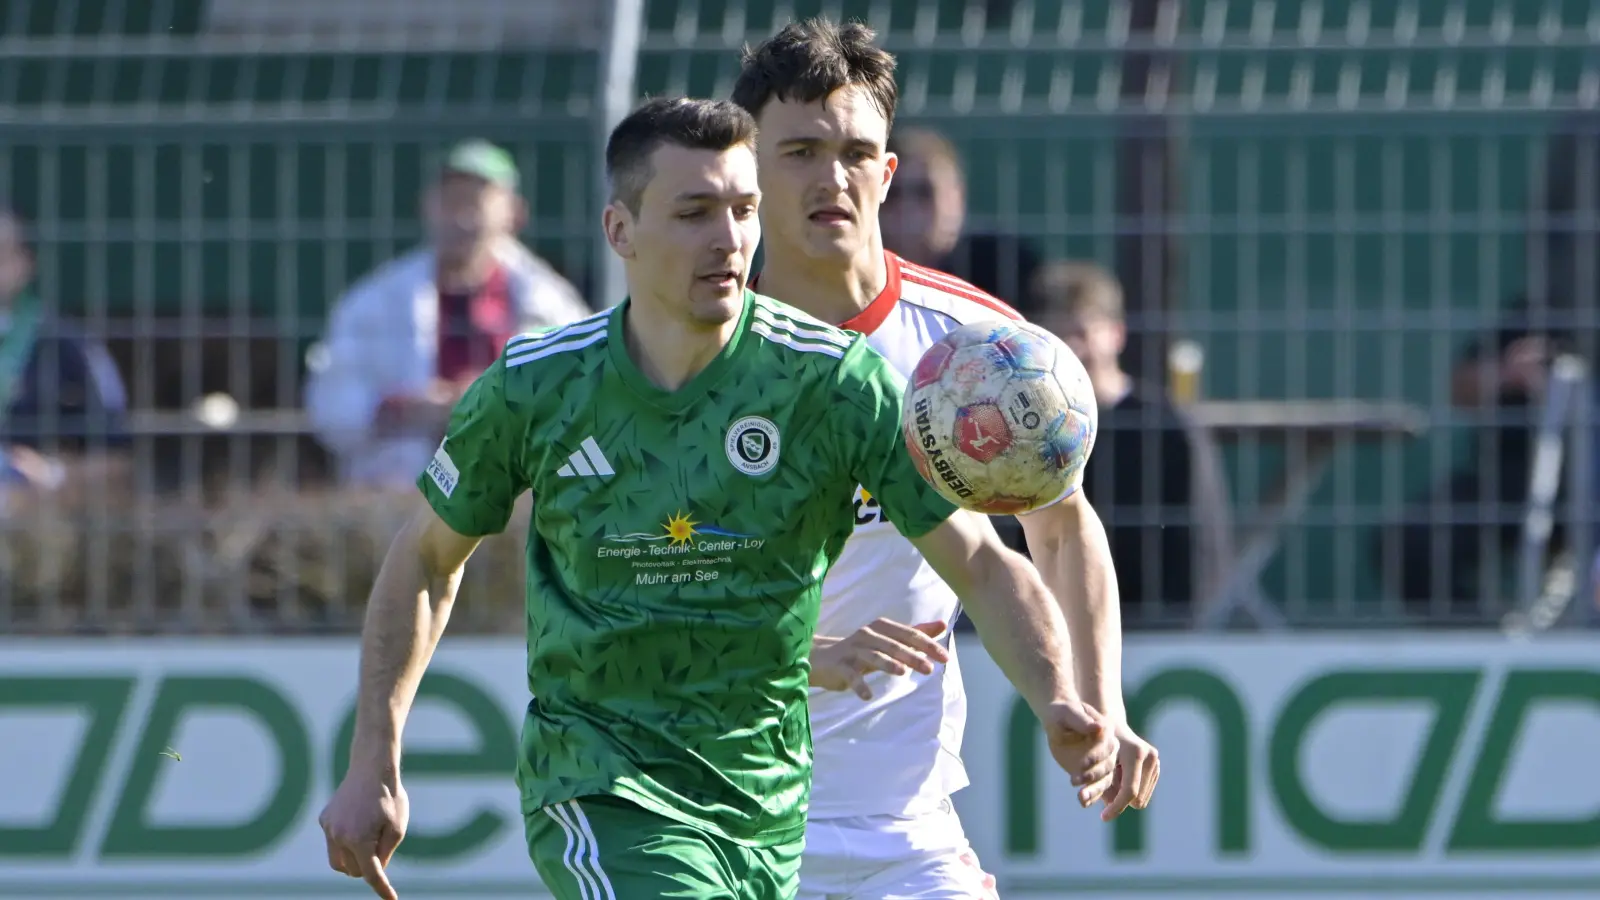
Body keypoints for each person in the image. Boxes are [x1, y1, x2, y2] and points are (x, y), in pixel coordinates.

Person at [318, 97, 1118, 900]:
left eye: (742, 210)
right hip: (610, 792)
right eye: (694, 212)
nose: (728, 238)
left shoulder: (835, 382)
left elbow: (981, 560)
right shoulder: (537, 386)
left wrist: (1059, 697)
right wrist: (373, 760)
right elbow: (426, 558)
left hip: (773, 810)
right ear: (620, 232)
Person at [730, 19, 1161, 899]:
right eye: (801, 151)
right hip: (724, 818)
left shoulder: (976, 350)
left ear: (888, 175)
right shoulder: (692, 355)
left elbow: (1061, 527)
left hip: (906, 826)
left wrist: (1096, 702)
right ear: (749, 172)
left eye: (856, 152)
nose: (831, 177)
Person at [305, 138, 591, 488]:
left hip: (519, 496)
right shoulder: (373, 301)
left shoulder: (549, 303)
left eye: (476, 201)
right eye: (450, 200)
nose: (461, 217)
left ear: (514, 212)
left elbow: (586, 403)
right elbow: (331, 406)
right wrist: (402, 409)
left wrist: (495, 403)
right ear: (426, 206)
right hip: (401, 495)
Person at [1020, 260, 1199, 623]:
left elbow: (1196, 540)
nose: (1072, 348)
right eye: (1057, 336)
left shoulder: (1162, 425)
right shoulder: (1027, 428)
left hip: (1150, 619)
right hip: (1050, 617)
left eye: (1082, 332)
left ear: (1117, 334)